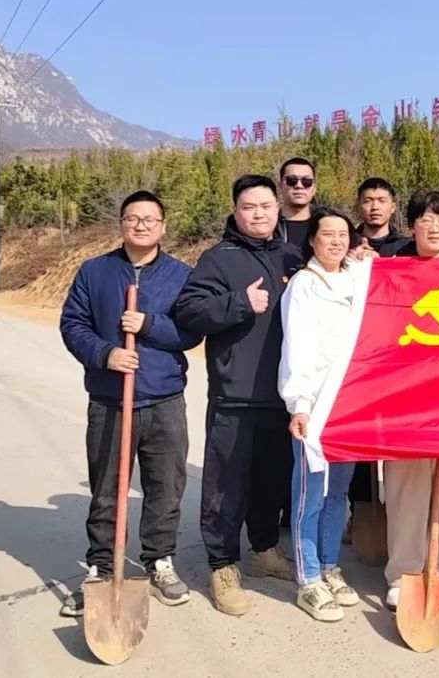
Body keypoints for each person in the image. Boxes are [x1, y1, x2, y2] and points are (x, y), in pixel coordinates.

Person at [59, 191, 201, 616]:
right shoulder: (94, 271)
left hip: (164, 399)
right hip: (110, 400)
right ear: (121, 223)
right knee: (106, 488)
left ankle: (159, 560)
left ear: (163, 226)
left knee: (166, 485)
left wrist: (149, 324)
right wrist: (107, 355)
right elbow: (73, 324)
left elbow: (192, 333)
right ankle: (102, 569)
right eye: (132, 218)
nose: (141, 225)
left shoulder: (181, 275)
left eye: (150, 219)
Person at [173, 175, 297, 616]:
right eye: (249, 207)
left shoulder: (292, 256)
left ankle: (263, 550)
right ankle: (222, 565)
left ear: (278, 208)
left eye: (266, 205)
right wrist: (239, 303)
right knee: (226, 484)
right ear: (235, 211)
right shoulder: (218, 259)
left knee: (271, 482)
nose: (258, 214)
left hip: (283, 394)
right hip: (237, 394)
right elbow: (188, 310)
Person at [383, 190, 439, 611]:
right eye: (426, 219)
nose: (434, 227)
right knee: (405, 488)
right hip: (404, 398)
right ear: (411, 224)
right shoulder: (390, 272)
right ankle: (402, 572)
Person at [279, 206, 362, 622]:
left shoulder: (356, 279)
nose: (336, 241)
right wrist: (299, 403)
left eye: (343, 234)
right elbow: (296, 346)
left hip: (350, 404)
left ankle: (330, 566)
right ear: (312, 240)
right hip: (315, 404)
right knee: (310, 494)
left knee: (337, 493)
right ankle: (308, 578)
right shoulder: (304, 285)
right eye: (327, 234)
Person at [355, 177, 409, 256]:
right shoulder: (346, 245)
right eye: (367, 201)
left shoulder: (407, 247)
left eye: (382, 201)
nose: (375, 207)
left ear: (393, 207)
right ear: (358, 206)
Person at [277, 157, 317, 258]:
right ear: (280, 186)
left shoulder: (324, 225)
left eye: (306, 181)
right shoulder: (267, 227)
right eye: (292, 180)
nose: (299, 186)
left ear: (314, 189)